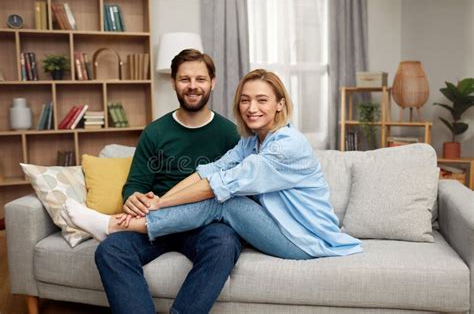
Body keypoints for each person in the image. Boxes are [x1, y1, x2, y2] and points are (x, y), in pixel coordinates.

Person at [64, 69, 363, 264]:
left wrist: (160, 204)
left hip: (304, 241)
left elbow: (219, 186)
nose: (251, 108)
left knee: (226, 202)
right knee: (220, 192)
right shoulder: (251, 141)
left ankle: (112, 225)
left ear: (280, 104)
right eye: (245, 100)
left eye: (262, 100)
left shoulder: (287, 145)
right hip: (283, 229)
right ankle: (116, 224)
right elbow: (207, 172)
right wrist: (159, 200)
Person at [71, 49, 242, 314]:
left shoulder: (228, 133)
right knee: (110, 250)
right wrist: (133, 197)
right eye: (185, 79)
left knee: (225, 243)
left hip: (203, 225)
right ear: (173, 82)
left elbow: (235, 188)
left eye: (200, 79)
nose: (193, 86)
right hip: (153, 223)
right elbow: (135, 183)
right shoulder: (156, 132)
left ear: (212, 82)